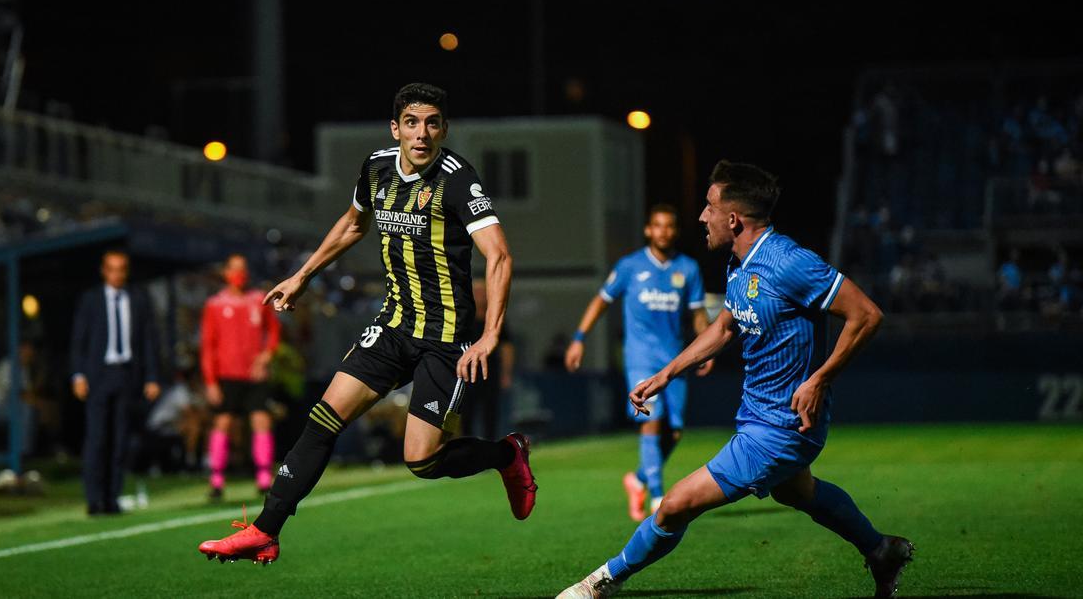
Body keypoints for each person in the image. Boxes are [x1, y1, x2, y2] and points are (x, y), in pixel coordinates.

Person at [198, 82, 536, 564]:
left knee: (422, 460)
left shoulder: (458, 178)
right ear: (395, 127)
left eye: (433, 123)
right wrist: (302, 276)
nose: (422, 134)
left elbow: (499, 255)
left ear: (444, 129)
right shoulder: (376, 168)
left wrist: (490, 336)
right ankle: (265, 531)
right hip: (394, 325)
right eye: (413, 123)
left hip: (445, 338)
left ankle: (508, 454)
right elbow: (353, 225)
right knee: (323, 418)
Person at [558, 161, 912, 599]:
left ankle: (599, 583)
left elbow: (867, 314)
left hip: (780, 428)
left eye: (709, 207)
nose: (702, 217)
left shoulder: (789, 262)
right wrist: (667, 373)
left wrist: (820, 379)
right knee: (797, 492)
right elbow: (725, 327)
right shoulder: (739, 264)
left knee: (673, 506)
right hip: (758, 417)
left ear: (733, 218)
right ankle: (880, 550)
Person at [564, 204, 712, 520]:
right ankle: (657, 496)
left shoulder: (687, 269)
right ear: (648, 230)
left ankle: (639, 479)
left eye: (669, 226)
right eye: (657, 225)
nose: (664, 231)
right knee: (651, 420)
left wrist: (705, 350)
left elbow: (698, 314)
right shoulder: (630, 267)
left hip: (675, 362)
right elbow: (601, 301)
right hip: (641, 359)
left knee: (673, 434)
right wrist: (579, 338)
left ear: (675, 231)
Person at [70, 250, 161, 516]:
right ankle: (94, 499)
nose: (117, 274)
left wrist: (152, 376)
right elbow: (79, 340)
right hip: (98, 375)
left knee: (120, 439)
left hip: (126, 375)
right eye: (112, 268)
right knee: (97, 438)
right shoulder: (90, 300)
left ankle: (112, 497)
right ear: (103, 270)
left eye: (121, 268)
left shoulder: (137, 299)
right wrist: (78, 374)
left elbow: (148, 340)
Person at [201, 253, 281, 498]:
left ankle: (264, 477)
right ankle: (216, 480)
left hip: (255, 375)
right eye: (234, 270)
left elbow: (274, 332)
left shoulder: (259, 299)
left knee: (261, 421)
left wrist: (267, 355)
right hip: (227, 374)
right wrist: (211, 382)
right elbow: (208, 346)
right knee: (223, 423)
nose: (239, 275)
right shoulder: (214, 304)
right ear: (225, 273)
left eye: (243, 270)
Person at [460, 278, 515, 439]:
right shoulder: (463, 319)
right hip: (467, 375)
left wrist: (506, 373)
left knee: (490, 413)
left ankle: (490, 449)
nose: (480, 295)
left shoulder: (496, 319)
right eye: (476, 292)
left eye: (482, 292)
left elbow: (507, 347)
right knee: (466, 414)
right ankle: (467, 447)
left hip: (490, 373)